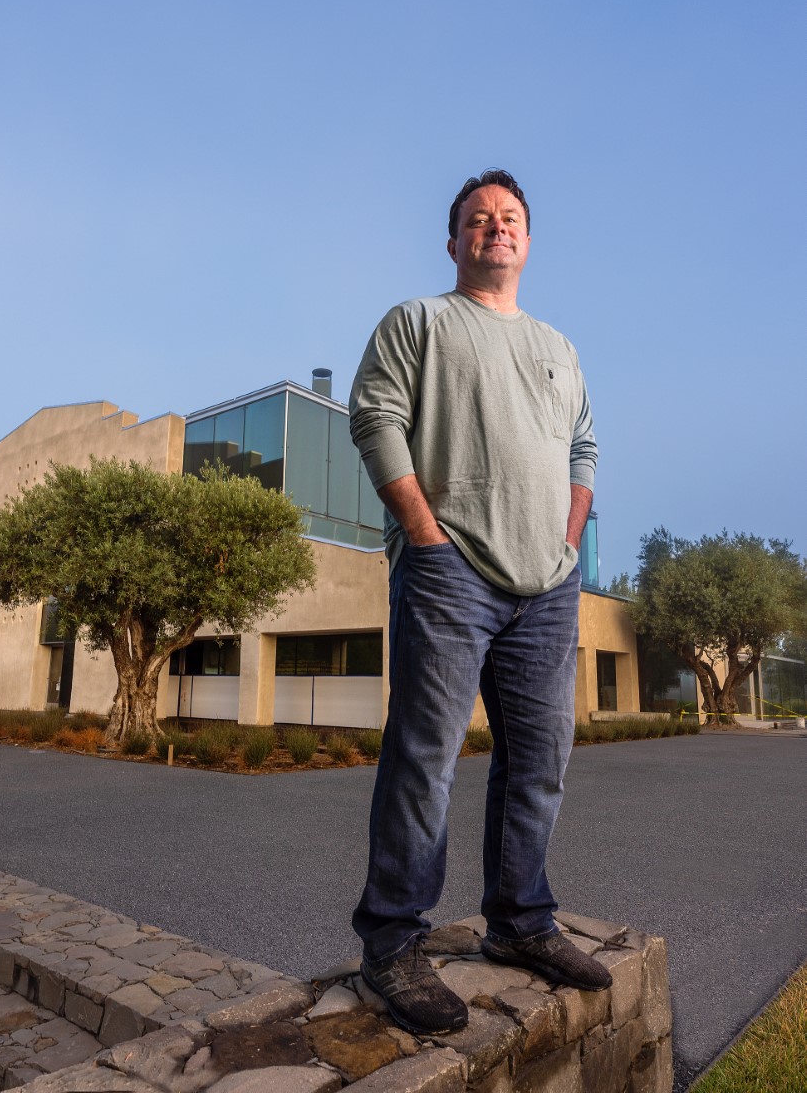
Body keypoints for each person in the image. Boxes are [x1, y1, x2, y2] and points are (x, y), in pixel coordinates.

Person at [348, 168, 611, 1036]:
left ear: (527, 242)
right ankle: (392, 943)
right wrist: (424, 532)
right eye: (478, 218)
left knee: (539, 760)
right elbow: (374, 416)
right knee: (424, 758)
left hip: (548, 584)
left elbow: (583, 445)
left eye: (509, 218)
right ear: (455, 239)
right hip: (450, 569)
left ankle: (521, 923)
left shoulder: (557, 347)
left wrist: (570, 541)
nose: (495, 228)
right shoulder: (419, 322)